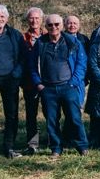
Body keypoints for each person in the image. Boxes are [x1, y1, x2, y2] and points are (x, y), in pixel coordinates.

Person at [30, 14, 88, 156]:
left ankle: (82, 146)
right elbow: (31, 66)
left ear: (62, 26)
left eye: (57, 24)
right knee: (51, 120)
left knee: (74, 118)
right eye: (50, 25)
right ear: (46, 26)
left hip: (68, 87)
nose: (53, 27)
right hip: (48, 89)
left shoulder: (73, 42)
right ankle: (56, 148)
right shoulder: (40, 43)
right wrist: (38, 84)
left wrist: (74, 83)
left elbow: (82, 64)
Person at [0, 5, 25, 159]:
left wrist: (16, 74)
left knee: (12, 114)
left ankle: (9, 147)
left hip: (10, 79)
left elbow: (22, 57)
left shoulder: (15, 35)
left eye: (2, 16)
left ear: (7, 19)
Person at [17, 7, 46, 155]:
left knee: (51, 113)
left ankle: (53, 140)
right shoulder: (22, 38)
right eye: (31, 18)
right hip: (29, 82)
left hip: (48, 83)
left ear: (42, 20)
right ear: (27, 20)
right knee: (31, 114)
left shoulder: (49, 35)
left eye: (37, 18)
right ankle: (33, 143)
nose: (34, 21)